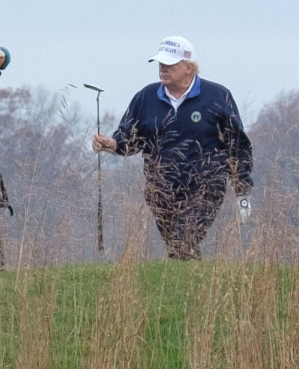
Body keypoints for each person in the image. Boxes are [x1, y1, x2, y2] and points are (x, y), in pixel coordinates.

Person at [91, 36, 253, 260]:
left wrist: (242, 185)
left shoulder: (217, 96)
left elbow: (238, 144)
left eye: (169, 64)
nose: (162, 69)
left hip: (207, 184)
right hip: (160, 186)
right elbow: (130, 138)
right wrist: (113, 144)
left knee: (183, 239)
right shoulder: (145, 97)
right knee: (179, 249)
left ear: (188, 68)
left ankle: (189, 270)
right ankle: (193, 276)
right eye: (160, 64)